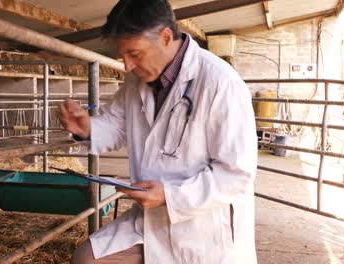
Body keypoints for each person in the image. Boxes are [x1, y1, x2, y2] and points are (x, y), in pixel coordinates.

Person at [59, 0, 257, 263]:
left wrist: (169, 195)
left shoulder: (221, 83)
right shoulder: (136, 81)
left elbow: (236, 175)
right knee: (86, 259)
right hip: (151, 221)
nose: (127, 66)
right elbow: (116, 125)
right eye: (122, 56)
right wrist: (88, 128)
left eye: (134, 53)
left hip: (203, 227)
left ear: (165, 37)